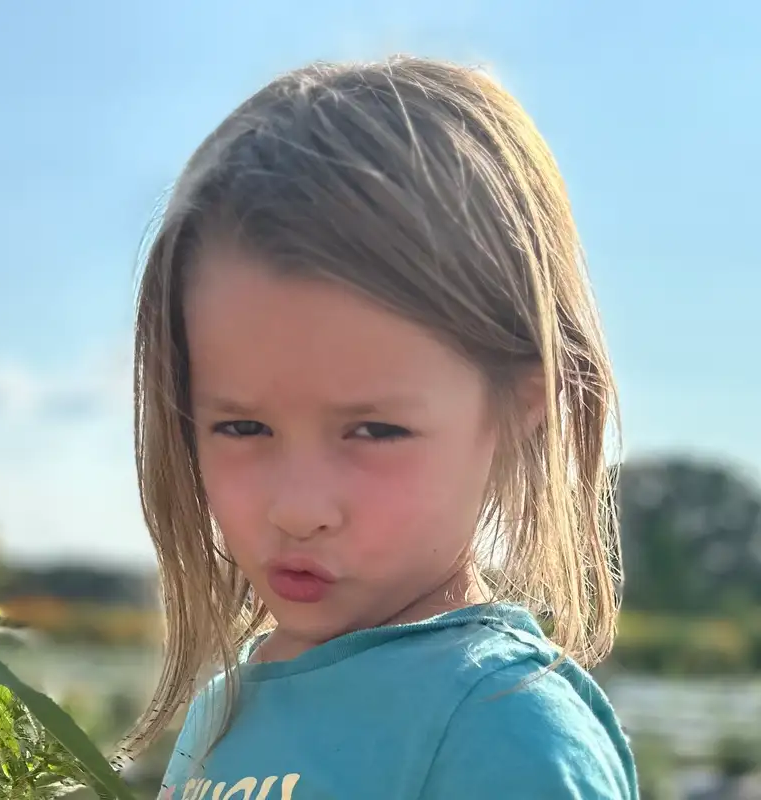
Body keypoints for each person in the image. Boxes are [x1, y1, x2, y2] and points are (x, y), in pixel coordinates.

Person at [122, 55, 638, 799]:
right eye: (241, 426)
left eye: (373, 432)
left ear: (522, 408)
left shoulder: (505, 734)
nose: (298, 509)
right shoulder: (226, 708)